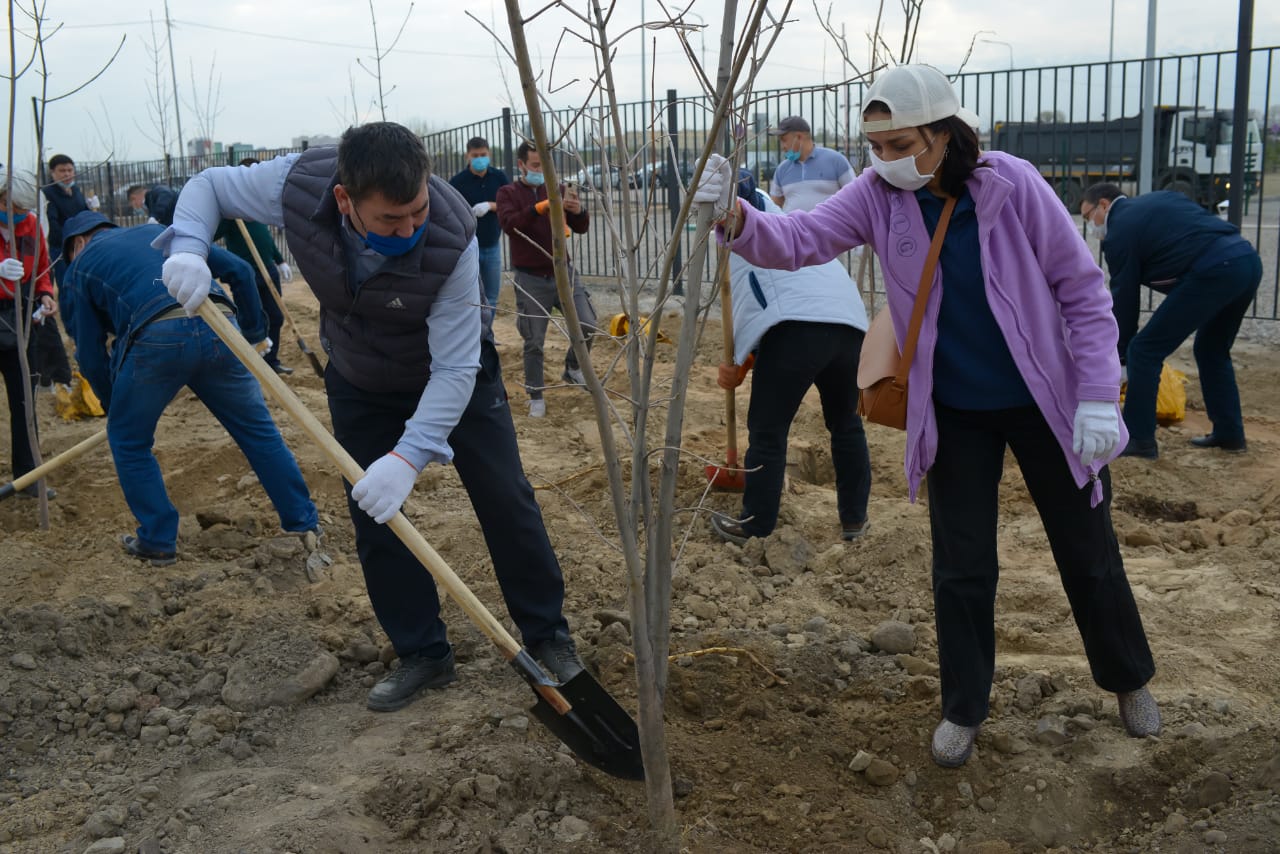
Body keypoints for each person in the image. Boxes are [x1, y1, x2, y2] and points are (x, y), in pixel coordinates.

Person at [696, 64, 1160, 767]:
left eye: (901, 144)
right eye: (875, 147)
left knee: (1085, 549)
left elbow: (1082, 290)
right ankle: (963, 708)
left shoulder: (1012, 184)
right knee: (961, 565)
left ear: (945, 134)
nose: (885, 159)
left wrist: (1097, 390)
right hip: (954, 410)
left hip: (1045, 401)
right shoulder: (877, 195)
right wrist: (734, 215)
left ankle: (1128, 680)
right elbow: (799, 240)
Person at [155, 121, 584, 711]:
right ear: (344, 199)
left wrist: (409, 457)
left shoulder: (453, 236)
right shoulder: (299, 185)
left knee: (505, 497)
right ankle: (423, 652)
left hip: (451, 374)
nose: (409, 228)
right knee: (376, 517)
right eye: (390, 219)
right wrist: (188, 247)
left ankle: (548, 637)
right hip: (360, 378)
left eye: (417, 211)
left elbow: (454, 368)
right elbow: (208, 186)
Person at [58, 210, 316, 567]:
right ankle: (302, 522)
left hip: (156, 336)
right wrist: (255, 335)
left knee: (129, 442)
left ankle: (157, 539)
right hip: (219, 325)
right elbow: (240, 270)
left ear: (78, 243)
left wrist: (113, 404)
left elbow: (89, 353)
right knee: (259, 432)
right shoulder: (161, 234)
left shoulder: (81, 265)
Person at [709, 171, 872, 545]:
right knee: (846, 424)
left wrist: (738, 360)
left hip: (796, 327)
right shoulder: (790, 227)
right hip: (850, 327)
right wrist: (745, 361)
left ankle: (756, 525)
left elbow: (758, 305)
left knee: (768, 429)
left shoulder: (750, 230)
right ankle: (854, 521)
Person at [1081, 182, 1263, 458]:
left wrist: (1122, 356)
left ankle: (1140, 439)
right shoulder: (1157, 200)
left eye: (1088, 216)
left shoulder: (1118, 232)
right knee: (1211, 350)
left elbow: (1125, 298)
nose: (1091, 226)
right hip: (1246, 261)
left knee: (1144, 351)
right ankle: (1230, 434)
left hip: (1214, 270)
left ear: (1104, 205)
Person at [495, 141, 597, 418]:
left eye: (545, 165)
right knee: (534, 341)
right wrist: (539, 208)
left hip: (563, 272)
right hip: (531, 278)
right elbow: (510, 224)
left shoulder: (559, 189)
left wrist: (577, 211)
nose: (541, 170)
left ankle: (573, 367)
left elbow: (581, 227)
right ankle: (536, 396)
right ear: (521, 165)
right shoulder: (508, 193)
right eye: (535, 165)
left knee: (587, 323)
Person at [0, 167, 58, 498]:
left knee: (24, 402)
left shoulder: (32, 225)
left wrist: (45, 294)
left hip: (21, 319)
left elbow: (42, 269)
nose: (18, 214)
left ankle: (26, 477)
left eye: (23, 209)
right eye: (12, 207)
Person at [208, 159, 297, 376]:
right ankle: (250, 365)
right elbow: (209, 235)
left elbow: (265, 239)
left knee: (276, 316)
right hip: (247, 276)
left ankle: (271, 362)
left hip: (268, 270)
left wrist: (280, 260)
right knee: (253, 319)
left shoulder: (259, 204)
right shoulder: (231, 212)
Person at [449, 137, 510, 318]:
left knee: (491, 297)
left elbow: (510, 204)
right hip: (468, 247)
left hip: (492, 246)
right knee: (470, 297)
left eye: (483, 154)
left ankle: (487, 333)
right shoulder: (457, 182)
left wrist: (491, 205)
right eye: (475, 155)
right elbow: (450, 210)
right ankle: (475, 331)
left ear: (489, 154)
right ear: (467, 156)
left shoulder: (499, 177)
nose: (479, 158)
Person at [767, 115, 856, 212]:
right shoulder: (782, 169)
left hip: (830, 222)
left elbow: (855, 197)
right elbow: (773, 209)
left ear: (799, 137)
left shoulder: (836, 161)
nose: (782, 146)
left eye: (784, 140)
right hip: (792, 223)